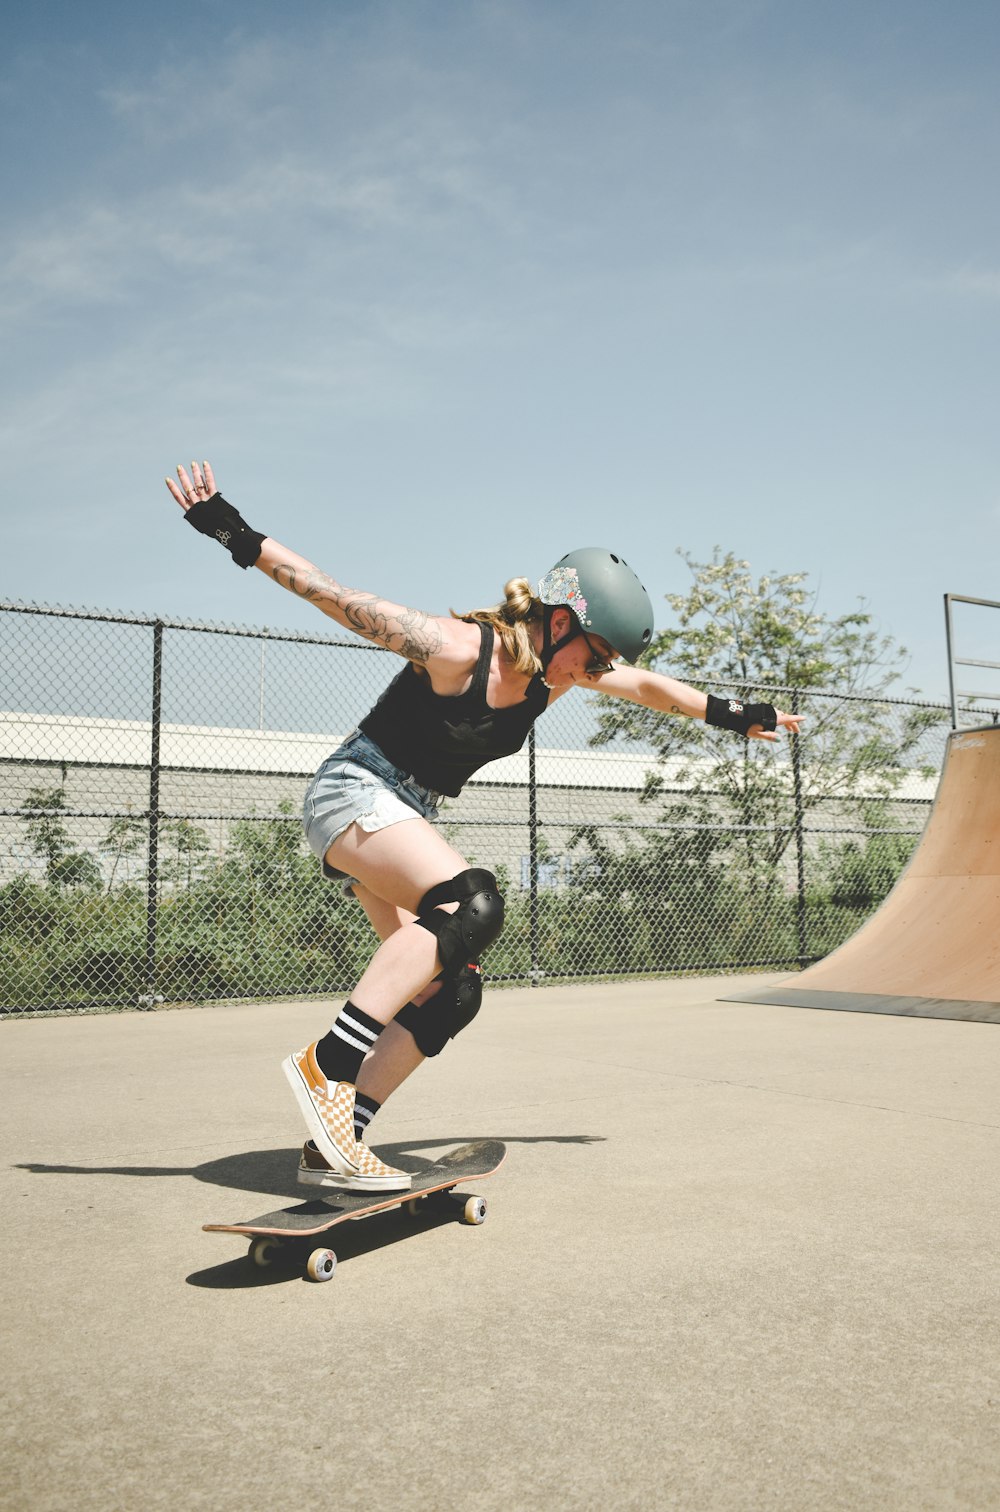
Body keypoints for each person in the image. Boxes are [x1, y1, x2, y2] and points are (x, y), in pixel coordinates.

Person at [165, 460, 802, 1191]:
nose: (592, 675)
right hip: (354, 792)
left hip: (404, 815)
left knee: (454, 993)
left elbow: (653, 689)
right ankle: (327, 1067)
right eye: (593, 657)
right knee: (472, 904)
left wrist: (736, 714)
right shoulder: (457, 649)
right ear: (559, 623)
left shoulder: (556, 672)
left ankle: (336, 1140)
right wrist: (229, 528)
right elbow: (334, 596)